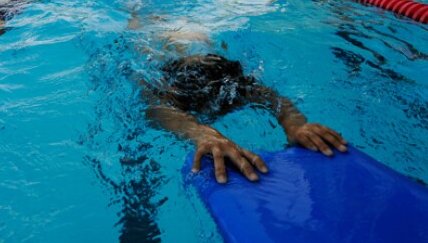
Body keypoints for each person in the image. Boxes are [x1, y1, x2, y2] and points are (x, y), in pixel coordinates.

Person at [145, 51, 347, 184]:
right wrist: (201, 133)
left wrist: (295, 125)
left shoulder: (230, 89)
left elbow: (274, 99)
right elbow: (156, 110)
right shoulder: (162, 88)